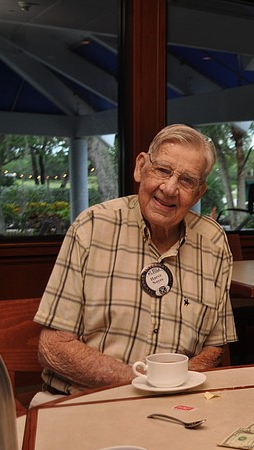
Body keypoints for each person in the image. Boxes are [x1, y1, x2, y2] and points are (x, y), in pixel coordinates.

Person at [33, 124, 237, 399]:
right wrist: (145, 382)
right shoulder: (92, 227)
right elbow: (53, 346)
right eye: (163, 170)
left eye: (187, 180)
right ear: (141, 167)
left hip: (174, 402)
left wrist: (170, 387)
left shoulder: (213, 243)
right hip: (83, 399)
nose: (170, 188)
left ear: (199, 193)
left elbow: (214, 348)